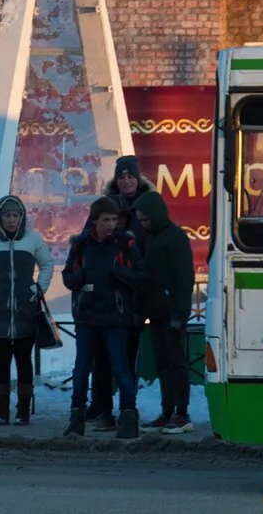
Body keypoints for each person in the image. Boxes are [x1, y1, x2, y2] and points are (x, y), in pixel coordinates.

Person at [61, 196, 147, 440]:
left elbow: (141, 276)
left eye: (114, 220)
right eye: (106, 220)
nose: (111, 224)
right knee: (81, 370)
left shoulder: (124, 243)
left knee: (121, 369)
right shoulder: (80, 245)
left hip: (115, 318)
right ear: (94, 221)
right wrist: (82, 274)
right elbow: (67, 277)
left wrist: (117, 271)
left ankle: (129, 418)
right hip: (87, 317)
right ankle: (76, 420)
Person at [0, 195, 55, 426]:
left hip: (26, 311)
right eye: (7, 215)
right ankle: (1, 411)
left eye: (15, 215)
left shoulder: (33, 240)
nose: (11, 220)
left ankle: (23, 411)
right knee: (1, 362)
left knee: (24, 361)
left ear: (22, 217)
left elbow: (47, 265)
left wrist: (37, 290)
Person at [87, 154, 153, 430]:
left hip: (133, 296)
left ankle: (128, 409)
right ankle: (102, 409)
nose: (126, 181)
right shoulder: (105, 206)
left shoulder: (148, 207)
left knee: (127, 358)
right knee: (100, 357)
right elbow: (87, 244)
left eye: (131, 177)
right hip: (104, 297)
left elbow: (150, 253)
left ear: (138, 179)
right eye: (122, 177)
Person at [131, 191, 197, 435]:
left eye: (146, 219)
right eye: (141, 220)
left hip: (172, 314)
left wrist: (179, 315)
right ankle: (167, 411)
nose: (143, 224)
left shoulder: (175, 238)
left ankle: (182, 413)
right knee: (162, 363)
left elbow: (184, 278)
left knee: (176, 362)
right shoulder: (149, 238)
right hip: (156, 312)